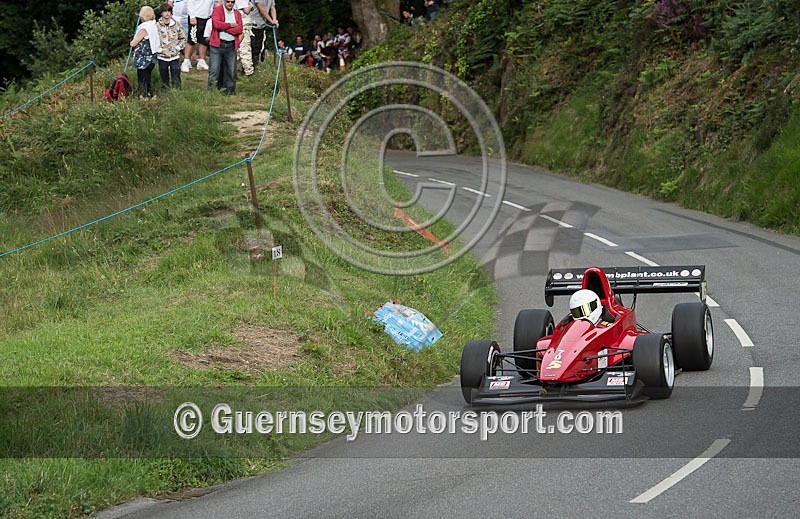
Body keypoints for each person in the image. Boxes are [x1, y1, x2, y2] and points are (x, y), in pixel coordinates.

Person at [207, 0, 243, 94]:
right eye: (228, 1)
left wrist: (224, 28)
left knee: (230, 71)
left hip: (231, 45)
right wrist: (230, 25)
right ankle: (211, 92)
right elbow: (216, 25)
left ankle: (229, 92)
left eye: (232, 2)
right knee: (214, 70)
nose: (230, 3)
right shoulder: (217, 10)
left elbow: (239, 29)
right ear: (224, 1)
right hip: (217, 45)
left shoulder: (237, 14)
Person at [130, 6, 161, 98]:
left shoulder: (144, 28)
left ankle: (143, 95)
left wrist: (131, 42)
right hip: (152, 57)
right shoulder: (153, 25)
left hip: (143, 58)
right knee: (148, 77)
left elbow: (134, 43)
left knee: (142, 77)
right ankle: (151, 94)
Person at [156, 3, 186, 90]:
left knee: (176, 76)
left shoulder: (177, 24)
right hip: (162, 56)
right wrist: (159, 49)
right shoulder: (157, 26)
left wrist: (178, 48)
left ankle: (177, 93)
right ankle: (165, 93)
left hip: (174, 56)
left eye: (169, 11)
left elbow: (183, 38)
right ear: (161, 13)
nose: (167, 13)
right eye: (165, 11)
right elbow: (154, 40)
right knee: (164, 78)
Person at [182, 0, 214, 72]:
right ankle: (186, 61)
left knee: (204, 40)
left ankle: (201, 60)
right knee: (192, 39)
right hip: (196, 16)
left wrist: (211, 14)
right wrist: (192, 15)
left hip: (207, 17)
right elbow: (190, 2)